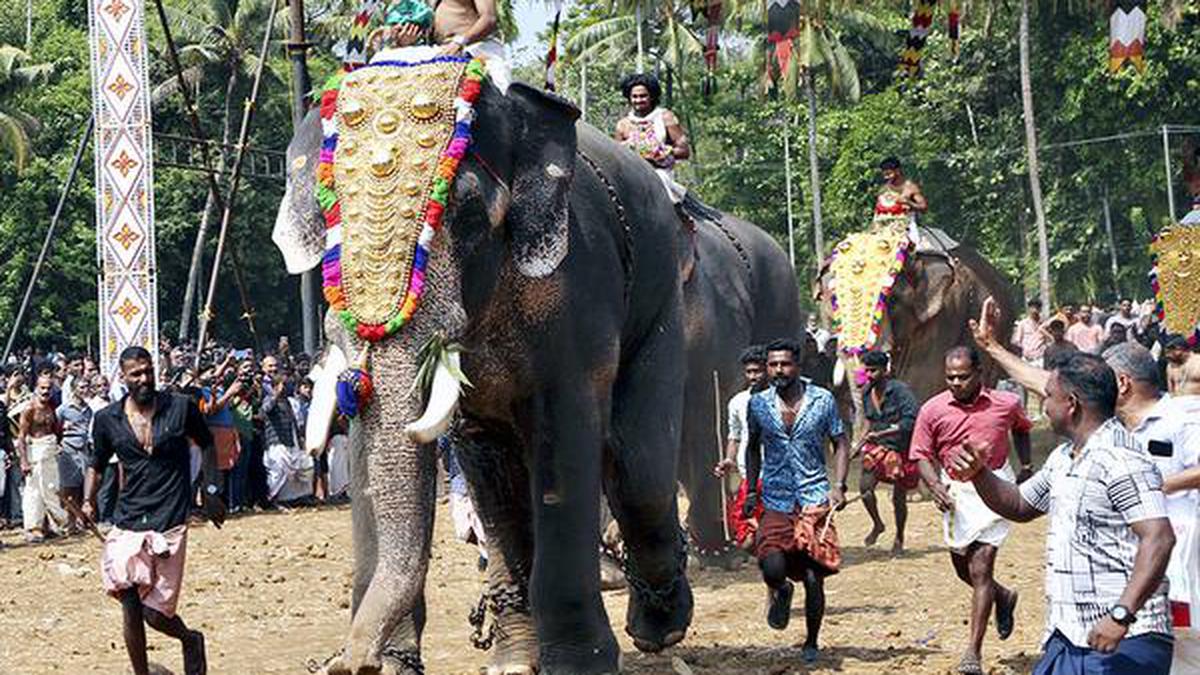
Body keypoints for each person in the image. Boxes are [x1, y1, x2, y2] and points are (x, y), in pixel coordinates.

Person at [972, 301, 1200, 672]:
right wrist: (978, 473)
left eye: (1051, 398)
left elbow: (1159, 537)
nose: (1044, 404)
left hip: (1153, 595)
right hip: (1076, 629)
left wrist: (1122, 614)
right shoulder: (1068, 455)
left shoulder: (1135, 448)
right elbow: (1019, 504)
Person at [84, 346, 225, 675]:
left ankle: (190, 639)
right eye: (136, 374)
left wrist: (212, 490)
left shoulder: (180, 407)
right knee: (128, 598)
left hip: (170, 518)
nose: (144, 378)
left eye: (148, 371)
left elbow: (206, 443)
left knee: (155, 614)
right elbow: (96, 462)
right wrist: (89, 499)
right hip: (129, 517)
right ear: (124, 377)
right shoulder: (107, 419)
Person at [909, 346, 1031, 675]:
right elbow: (921, 454)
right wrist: (935, 486)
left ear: (979, 373)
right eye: (950, 377)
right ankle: (1002, 595)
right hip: (955, 490)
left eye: (963, 377)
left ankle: (972, 654)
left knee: (980, 567)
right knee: (963, 567)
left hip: (995, 487)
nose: (956, 383)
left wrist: (1027, 465)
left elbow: (1022, 427)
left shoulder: (1005, 403)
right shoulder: (933, 409)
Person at [740, 339, 850, 664]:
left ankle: (812, 641)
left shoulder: (823, 400)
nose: (778, 371)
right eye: (773, 365)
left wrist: (839, 486)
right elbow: (752, 448)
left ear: (797, 365)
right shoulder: (758, 404)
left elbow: (840, 442)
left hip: (814, 496)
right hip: (775, 497)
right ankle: (782, 590)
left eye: (784, 364)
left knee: (814, 577)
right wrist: (749, 491)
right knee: (771, 564)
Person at [856, 350, 919, 554]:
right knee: (865, 489)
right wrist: (859, 442)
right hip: (876, 447)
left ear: (885, 370)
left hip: (900, 449)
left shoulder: (900, 391)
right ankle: (877, 524)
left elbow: (910, 421)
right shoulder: (866, 392)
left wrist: (882, 433)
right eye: (867, 371)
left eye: (873, 371)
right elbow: (868, 420)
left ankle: (899, 537)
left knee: (898, 498)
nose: (870, 375)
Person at [713, 346, 768, 549]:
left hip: (777, 475)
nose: (753, 376)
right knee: (746, 542)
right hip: (750, 475)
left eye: (758, 371)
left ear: (768, 369)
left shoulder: (782, 398)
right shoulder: (738, 402)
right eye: (749, 372)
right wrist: (729, 459)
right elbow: (734, 436)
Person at [614, 72, 692, 207]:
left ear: (652, 96)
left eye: (643, 96)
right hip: (631, 174)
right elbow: (616, 155)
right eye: (635, 97)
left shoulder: (666, 118)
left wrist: (663, 152)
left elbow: (684, 151)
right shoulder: (623, 125)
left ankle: (678, 219)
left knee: (661, 184)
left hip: (659, 173)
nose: (638, 100)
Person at [16, 373, 66, 542]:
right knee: (34, 492)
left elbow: (56, 431)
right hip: (35, 453)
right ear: (36, 388)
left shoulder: (52, 407)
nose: (45, 391)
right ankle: (33, 528)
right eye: (42, 388)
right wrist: (23, 461)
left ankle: (48, 525)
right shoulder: (29, 409)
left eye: (48, 388)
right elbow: (21, 437)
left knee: (51, 489)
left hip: (49, 452)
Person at [260, 359, 312, 503]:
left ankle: (290, 498)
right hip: (275, 442)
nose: (285, 387)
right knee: (278, 471)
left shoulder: (288, 402)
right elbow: (265, 410)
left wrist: (300, 439)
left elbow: (293, 421)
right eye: (282, 385)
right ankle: (270, 498)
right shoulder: (269, 398)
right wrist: (275, 395)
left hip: (290, 440)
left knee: (299, 467)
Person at [56, 376, 93, 534]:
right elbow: (53, 426)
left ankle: (78, 521)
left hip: (83, 448)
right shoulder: (64, 409)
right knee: (67, 486)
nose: (84, 390)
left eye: (86, 387)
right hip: (68, 448)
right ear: (74, 389)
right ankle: (67, 521)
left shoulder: (88, 409)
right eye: (81, 387)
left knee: (80, 486)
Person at [873, 157, 928, 233]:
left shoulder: (910, 187)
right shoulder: (884, 189)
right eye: (884, 175)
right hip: (886, 229)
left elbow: (924, 208)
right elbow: (877, 211)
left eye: (888, 174)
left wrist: (908, 202)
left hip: (907, 228)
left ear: (897, 171)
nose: (886, 177)